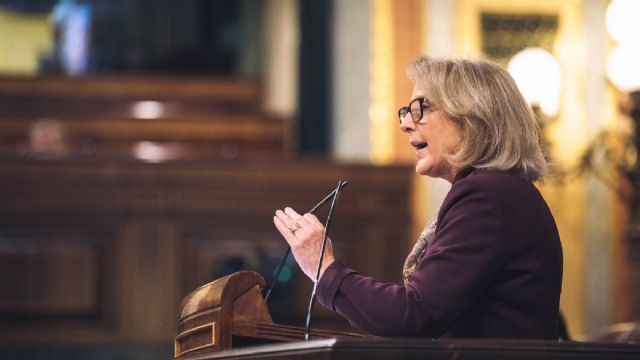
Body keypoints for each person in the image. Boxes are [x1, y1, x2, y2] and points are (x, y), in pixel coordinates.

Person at [273, 55, 563, 339]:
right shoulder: (502, 191)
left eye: (422, 108)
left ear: (474, 116)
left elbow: (415, 315)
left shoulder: (487, 196)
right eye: (407, 111)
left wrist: (324, 269)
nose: (406, 124)